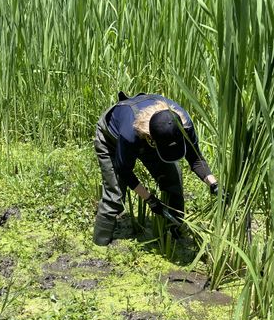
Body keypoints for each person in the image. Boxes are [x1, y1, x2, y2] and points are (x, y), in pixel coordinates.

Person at [93, 91, 220, 246]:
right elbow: (124, 171)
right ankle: (100, 243)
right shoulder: (129, 135)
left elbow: (196, 158)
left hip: (157, 137)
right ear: (151, 140)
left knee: (173, 180)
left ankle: (175, 236)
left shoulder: (182, 124)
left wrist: (214, 185)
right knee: (115, 195)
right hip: (111, 138)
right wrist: (150, 199)